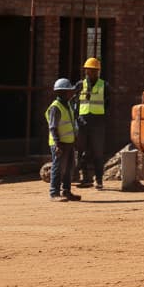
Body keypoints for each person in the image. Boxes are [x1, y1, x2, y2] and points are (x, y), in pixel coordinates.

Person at [47, 78, 83, 201]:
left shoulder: (68, 105)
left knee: (68, 168)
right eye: (69, 91)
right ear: (61, 92)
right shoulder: (56, 107)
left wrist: (75, 138)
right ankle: (54, 193)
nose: (71, 93)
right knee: (58, 168)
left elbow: (71, 124)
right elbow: (53, 127)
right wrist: (57, 144)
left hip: (69, 142)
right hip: (60, 143)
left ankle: (66, 191)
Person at [76, 56, 109, 189]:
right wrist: (77, 118)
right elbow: (75, 102)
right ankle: (85, 178)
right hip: (83, 122)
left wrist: (103, 117)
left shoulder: (104, 85)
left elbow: (108, 103)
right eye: (88, 70)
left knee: (98, 153)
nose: (89, 73)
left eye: (92, 70)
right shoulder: (80, 85)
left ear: (97, 71)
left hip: (98, 123)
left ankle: (99, 179)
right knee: (82, 151)